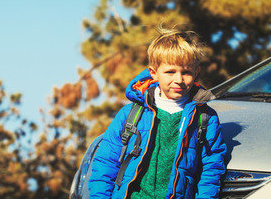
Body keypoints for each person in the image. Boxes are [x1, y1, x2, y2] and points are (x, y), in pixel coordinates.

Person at [88, 27, 227, 198]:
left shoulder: (205, 118)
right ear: (154, 73)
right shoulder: (131, 114)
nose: (178, 79)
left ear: (196, 72)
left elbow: (211, 169)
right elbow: (106, 163)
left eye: (186, 72)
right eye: (170, 72)